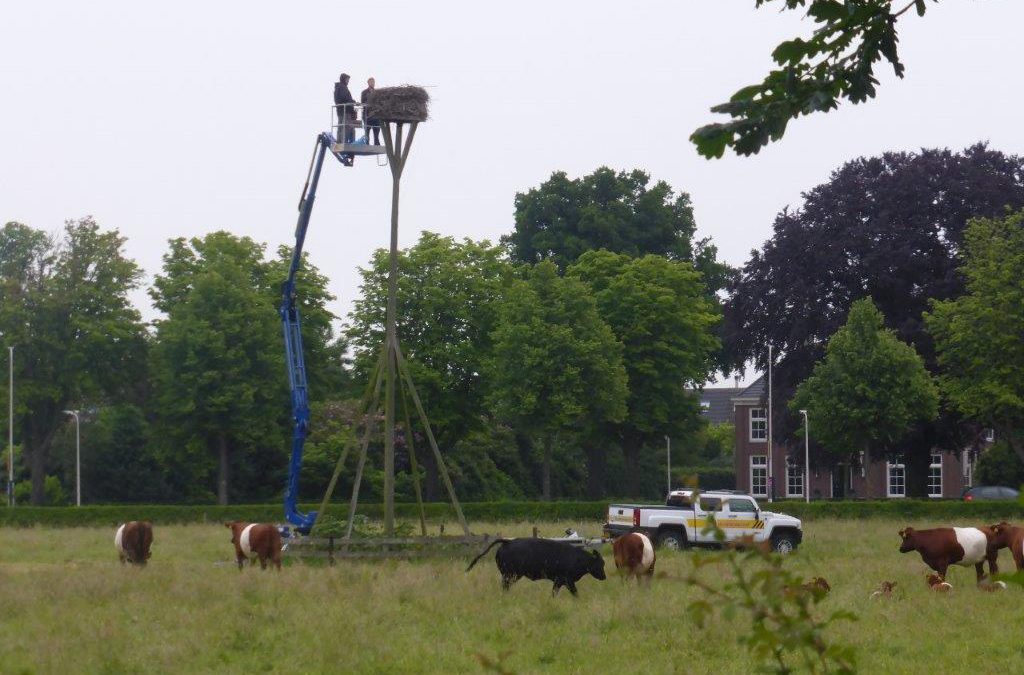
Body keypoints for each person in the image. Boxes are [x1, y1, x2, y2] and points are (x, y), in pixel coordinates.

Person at [333, 73, 356, 144]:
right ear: (344, 79)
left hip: (340, 111)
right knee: (346, 127)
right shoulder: (342, 87)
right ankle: (344, 142)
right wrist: (353, 102)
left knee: (341, 127)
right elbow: (344, 98)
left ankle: (339, 141)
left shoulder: (338, 87)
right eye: (347, 79)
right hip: (345, 111)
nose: (348, 81)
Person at [360, 77, 380, 145]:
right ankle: (367, 142)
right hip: (367, 114)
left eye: (373, 82)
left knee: (377, 129)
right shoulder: (364, 92)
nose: (373, 83)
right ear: (368, 83)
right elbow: (362, 102)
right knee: (367, 130)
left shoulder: (377, 92)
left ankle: (376, 143)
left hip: (375, 115)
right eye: (371, 82)